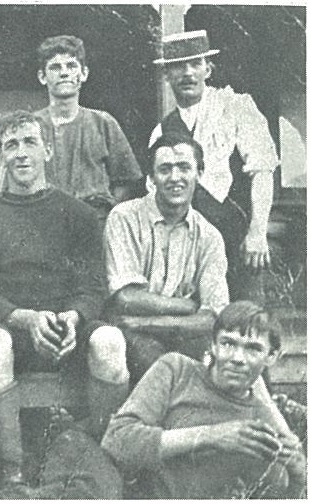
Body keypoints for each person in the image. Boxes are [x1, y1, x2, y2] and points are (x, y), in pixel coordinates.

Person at [0, 111, 129, 486]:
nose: (21, 154)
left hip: (66, 329)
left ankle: (108, 458)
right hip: (13, 329)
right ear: (1, 156)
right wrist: (27, 318)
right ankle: (13, 470)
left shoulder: (80, 214)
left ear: (48, 151)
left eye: (30, 142)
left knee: (110, 342)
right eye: (11, 145)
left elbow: (93, 287)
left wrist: (71, 318)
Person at [102, 301, 307, 498]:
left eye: (253, 349)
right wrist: (211, 436)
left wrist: (298, 478)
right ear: (213, 346)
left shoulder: (265, 423)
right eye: (228, 343)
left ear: (272, 356)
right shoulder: (176, 371)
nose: (237, 358)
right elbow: (116, 441)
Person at [150, 30, 278, 301]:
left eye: (195, 64)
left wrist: (257, 232)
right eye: (178, 66)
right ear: (166, 76)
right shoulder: (162, 131)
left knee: (245, 323)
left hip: (238, 238)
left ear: (208, 69)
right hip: (189, 246)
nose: (188, 73)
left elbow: (263, 171)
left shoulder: (236, 107)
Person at [104, 133, 229, 380]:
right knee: (155, 364)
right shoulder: (124, 218)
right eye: (165, 169)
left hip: (153, 327)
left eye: (184, 168)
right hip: (135, 335)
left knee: (210, 363)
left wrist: (146, 322)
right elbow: (126, 298)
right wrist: (188, 306)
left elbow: (213, 317)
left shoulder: (210, 236)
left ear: (200, 175)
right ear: (151, 180)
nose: (175, 178)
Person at [31, 35, 141, 217]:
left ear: (84, 73)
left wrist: (107, 214)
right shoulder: (33, 126)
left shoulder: (103, 123)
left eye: (71, 66)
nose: (64, 73)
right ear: (42, 77)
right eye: (55, 67)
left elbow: (126, 180)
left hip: (94, 222)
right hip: (45, 221)